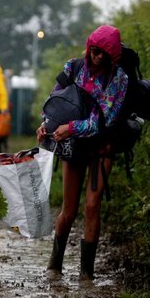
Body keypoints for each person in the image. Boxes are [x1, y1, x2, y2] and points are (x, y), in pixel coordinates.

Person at [36, 25, 128, 280]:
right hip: (74, 146)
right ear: (90, 47)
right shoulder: (73, 67)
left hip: (102, 145)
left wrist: (71, 128)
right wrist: (47, 125)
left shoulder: (119, 79)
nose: (98, 57)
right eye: (95, 51)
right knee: (69, 209)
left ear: (112, 58)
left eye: (104, 55)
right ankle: (54, 266)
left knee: (91, 205)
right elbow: (55, 101)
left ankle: (86, 273)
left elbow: (104, 121)